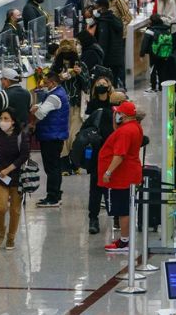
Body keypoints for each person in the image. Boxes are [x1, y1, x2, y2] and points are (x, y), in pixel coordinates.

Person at [98, 101, 144, 252]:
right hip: (129, 173)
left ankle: (124, 242)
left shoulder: (125, 132)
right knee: (126, 208)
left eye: (117, 112)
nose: (115, 114)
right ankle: (125, 239)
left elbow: (119, 155)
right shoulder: (134, 127)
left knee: (123, 210)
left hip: (121, 176)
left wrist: (108, 172)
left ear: (122, 115)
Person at [0, 110, 29, 250]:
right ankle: (0, 232)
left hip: (17, 177)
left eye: (6, 118)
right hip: (0, 178)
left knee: (15, 210)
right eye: (1, 118)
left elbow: (24, 155)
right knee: (1, 207)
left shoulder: (21, 135)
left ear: (13, 120)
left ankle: (11, 237)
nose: (2, 121)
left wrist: (8, 169)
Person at [31, 70, 70, 207]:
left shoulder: (55, 96)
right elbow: (44, 106)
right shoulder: (57, 93)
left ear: (53, 82)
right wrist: (38, 106)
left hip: (51, 136)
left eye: (46, 83)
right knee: (55, 167)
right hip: (54, 135)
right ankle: (55, 194)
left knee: (51, 168)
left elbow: (41, 113)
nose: (44, 85)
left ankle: (52, 197)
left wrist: (32, 123)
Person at [83, 76, 116, 234]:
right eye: (99, 84)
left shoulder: (115, 104)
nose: (102, 86)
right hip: (96, 150)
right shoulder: (92, 105)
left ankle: (117, 215)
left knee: (116, 185)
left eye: (105, 83)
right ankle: (93, 218)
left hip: (113, 151)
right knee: (96, 186)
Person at [51, 39, 89, 174]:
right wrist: (59, 78)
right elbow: (48, 84)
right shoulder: (55, 67)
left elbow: (87, 86)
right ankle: (64, 165)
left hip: (76, 106)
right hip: (60, 107)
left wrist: (80, 74)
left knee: (74, 135)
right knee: (63, 135)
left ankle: (75, 163)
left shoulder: (81, 65)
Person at [93, 0, 125, 86]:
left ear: (101, 8)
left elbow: (103, 43)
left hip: (108, 59)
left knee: (108, 84)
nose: (94, 10)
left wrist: (100, 59)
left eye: (96, 8)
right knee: (114, 82)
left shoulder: (104, 22)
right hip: (117, 57)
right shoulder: (114, 18)